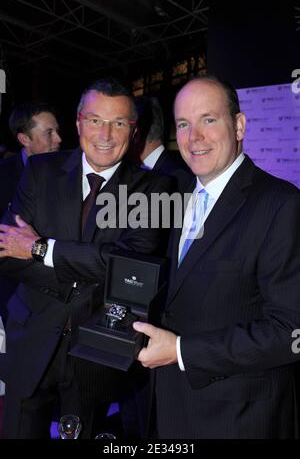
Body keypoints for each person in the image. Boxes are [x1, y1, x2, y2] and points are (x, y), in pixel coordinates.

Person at [0, 78, 172, 439]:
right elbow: (6, 253)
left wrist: (39, 249)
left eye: (119, 123)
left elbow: (130, 267)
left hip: (95, 353)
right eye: (95, 120)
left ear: (133, 129)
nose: (105, 134)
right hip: (30, 340)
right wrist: (92, 272)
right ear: (78, 122)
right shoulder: (40, 171)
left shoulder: (154, 189)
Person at [133, 74, 300, 439]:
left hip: (239, 418)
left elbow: (290, 331)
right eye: (183, 124)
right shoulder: (178, 196)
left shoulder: (281, 204)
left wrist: (180, 350)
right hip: (171, 406)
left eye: (209, 119)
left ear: (238, 125)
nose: (195, 138)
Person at [0, 102, 62, 325]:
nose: (59, 139)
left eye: (57, 130)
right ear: (24, 140)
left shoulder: (67, 172)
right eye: (49, 133)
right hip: (8, 295)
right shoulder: (3, 175)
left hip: (52, 294)